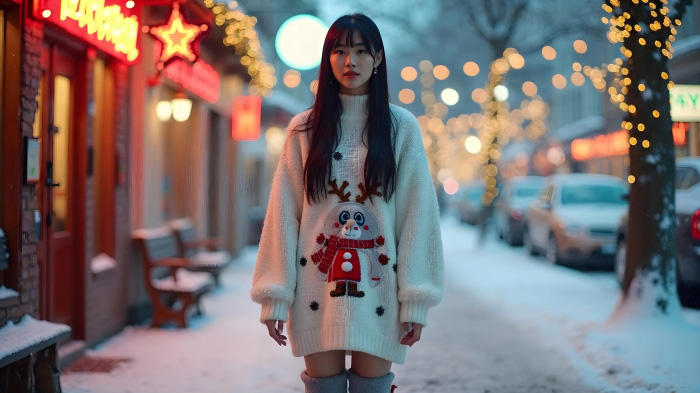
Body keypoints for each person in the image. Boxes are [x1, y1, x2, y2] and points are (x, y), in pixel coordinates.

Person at [250, 13, 444, 393]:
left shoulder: (400, 128)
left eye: (360, 51)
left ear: (378, 58)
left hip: (380, 291)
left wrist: (416, 301)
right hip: (314, 292)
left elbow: (418, 217)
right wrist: (274, 296)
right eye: (339, 51)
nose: (349, 61)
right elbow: (283, 216)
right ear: (327, 59)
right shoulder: (304, 129)